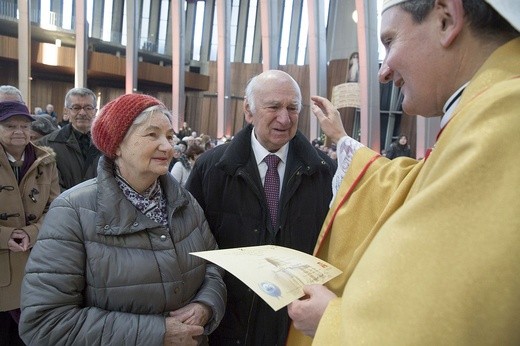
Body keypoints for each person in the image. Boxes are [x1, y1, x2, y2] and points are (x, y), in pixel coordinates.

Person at [286, 0, 520, 345]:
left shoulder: (503, 118)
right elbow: (416, 184)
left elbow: (450, 326)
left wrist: (333, 321)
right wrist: (342, 141)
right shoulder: (485, 108)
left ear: (445, 19)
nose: (383, 72)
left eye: (389, 41)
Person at [19, 93, 226, 345]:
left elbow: (214, 265)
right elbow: (44, 323)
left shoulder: (184, 202)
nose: (168, 147)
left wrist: (206, 305)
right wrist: (157, 333)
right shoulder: (73, 211)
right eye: (152, 135)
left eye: (170, 136)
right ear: (116, 145)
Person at [186, 70, 336, 345]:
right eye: (274, 107)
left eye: (292, 108)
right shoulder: (210, 169)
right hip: (227, 325)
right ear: (249, 111)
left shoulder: (326, 173)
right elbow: (191, 249)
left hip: (295, 327)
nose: (284, 118)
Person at [0, 101, 59, 345]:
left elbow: (55, 208)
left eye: (24, 125)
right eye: (10, 125)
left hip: (37, 263)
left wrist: (32, 233)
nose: (19, 131)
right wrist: (6, 236)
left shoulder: (46, 161)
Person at [36, 87, 102, 191]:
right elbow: (48, 185)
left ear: (95, 111)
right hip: (65, 204)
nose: (82, 113)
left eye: (88, 108)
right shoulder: (47, 145)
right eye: (76, 108)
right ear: (66, 111)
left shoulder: (108, 144)